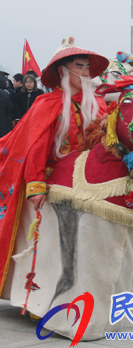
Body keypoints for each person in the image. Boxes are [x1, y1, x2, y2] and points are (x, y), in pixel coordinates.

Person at [0, 37, 109, 294]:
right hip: (50, 185)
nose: (85, 72)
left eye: (87, 68)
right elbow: (36, 146)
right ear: (63, 71)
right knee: (48, 245)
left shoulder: (100, 104)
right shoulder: (46, 104)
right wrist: (36, 185)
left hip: (87, 185)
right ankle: (37, 297)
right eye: (79, 66)